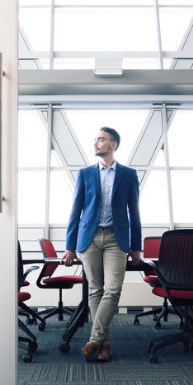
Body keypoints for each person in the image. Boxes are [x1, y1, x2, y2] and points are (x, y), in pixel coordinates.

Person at [61, 127, 143, 363]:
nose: (95, 143)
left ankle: (94, 339)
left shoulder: (128, 174)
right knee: (95, 290)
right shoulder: (85, 173)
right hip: (89, 238)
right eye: (95, 139)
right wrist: (69, 245)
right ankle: (104, 344)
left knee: (113, 290)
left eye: (100, 139)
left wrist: (136, 246)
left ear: (113, 145)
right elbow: (75, 211)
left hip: (117, 240)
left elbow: (134, 213)